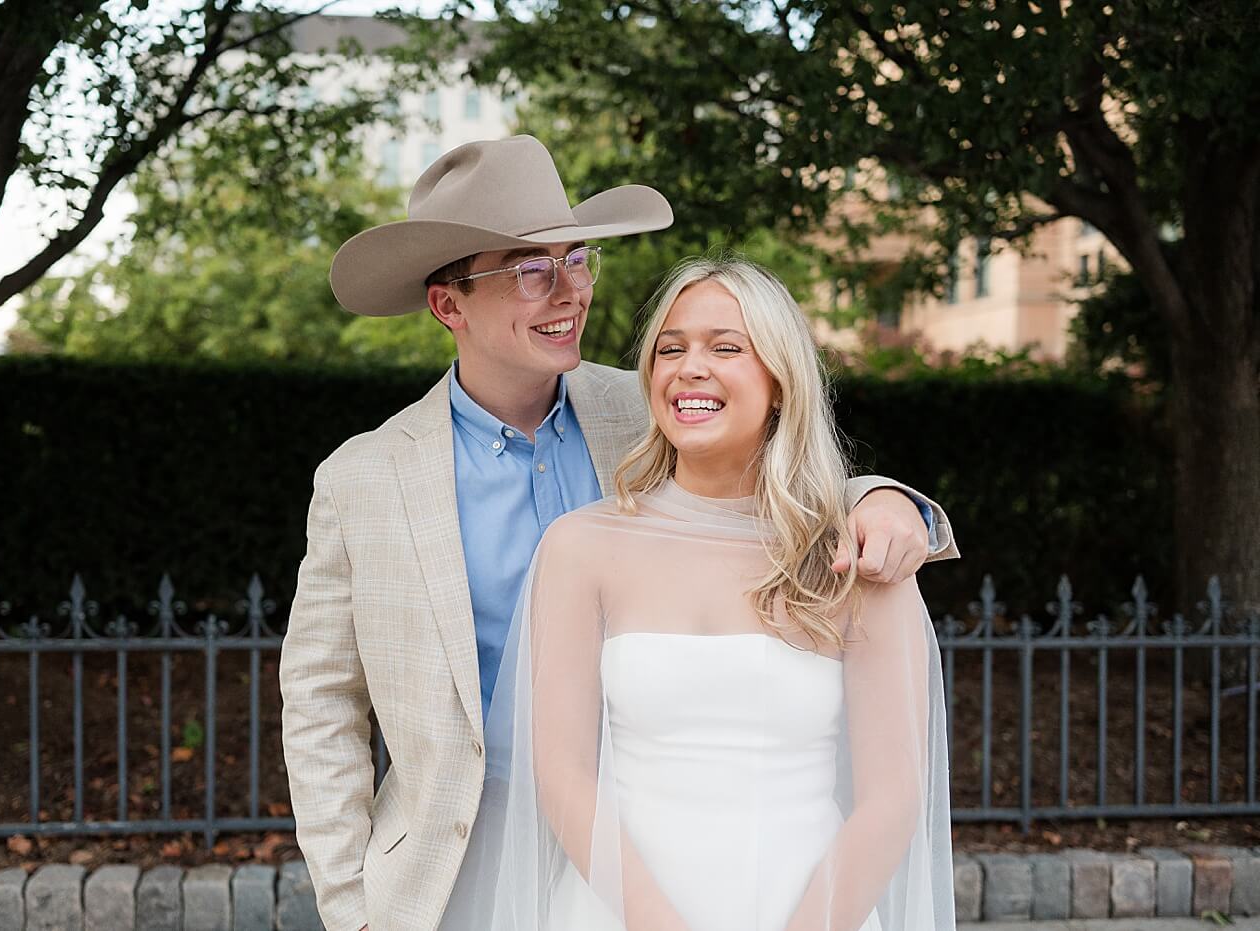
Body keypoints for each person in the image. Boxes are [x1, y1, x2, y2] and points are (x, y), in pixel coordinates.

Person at [280, 135, 958, 931]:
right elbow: (321, 700)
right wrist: (351, 905)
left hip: (647, 831)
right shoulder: (364, 478)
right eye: (531, 270)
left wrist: (886, 500)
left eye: (576, 260)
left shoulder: (656, 407)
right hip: (454, 857)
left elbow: (773, 469)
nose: (569, 290)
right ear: (449, 305)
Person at [469, 256, 955, 930]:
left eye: (726, 347)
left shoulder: (854, 555)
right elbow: (562, 774)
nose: (690, 367)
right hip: (618, 910)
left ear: (781, 381)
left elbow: (893, 799)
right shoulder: (581, 547)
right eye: (671, 349)